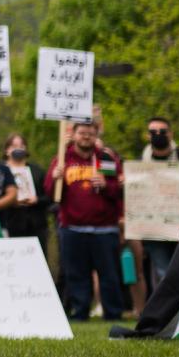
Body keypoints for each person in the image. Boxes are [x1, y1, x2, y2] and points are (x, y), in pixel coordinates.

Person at [47, 120, 126, 321]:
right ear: (73, 135)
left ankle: (113, 313)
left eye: (90, 133)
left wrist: (107, 185)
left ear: (96, 135)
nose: (86, 137)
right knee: (77, 275)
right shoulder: (63, 160)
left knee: (109, 275)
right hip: (73, 228)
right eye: (82, 133)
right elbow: (50, 192)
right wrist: (55, 178)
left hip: (104, 228)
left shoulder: (106, 159)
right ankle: (80, 312)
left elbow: (119, 191)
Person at [135, 116, 179, 287]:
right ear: (147, 136)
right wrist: (125, 184)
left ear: (171, 134)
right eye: (153, 132)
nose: (158, 134)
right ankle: (169, 311)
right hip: (154, 230)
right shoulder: (139, 164)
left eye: (162, 131)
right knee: (163, 272)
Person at [0, 134, 50, 251]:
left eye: (22, 146)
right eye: (14, 146)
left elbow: (48, 197)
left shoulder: (37, 171)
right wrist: (9, 200)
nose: (18, 149)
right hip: (8, 224)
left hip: (35, 226)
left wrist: (37, 200)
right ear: (7, 150)